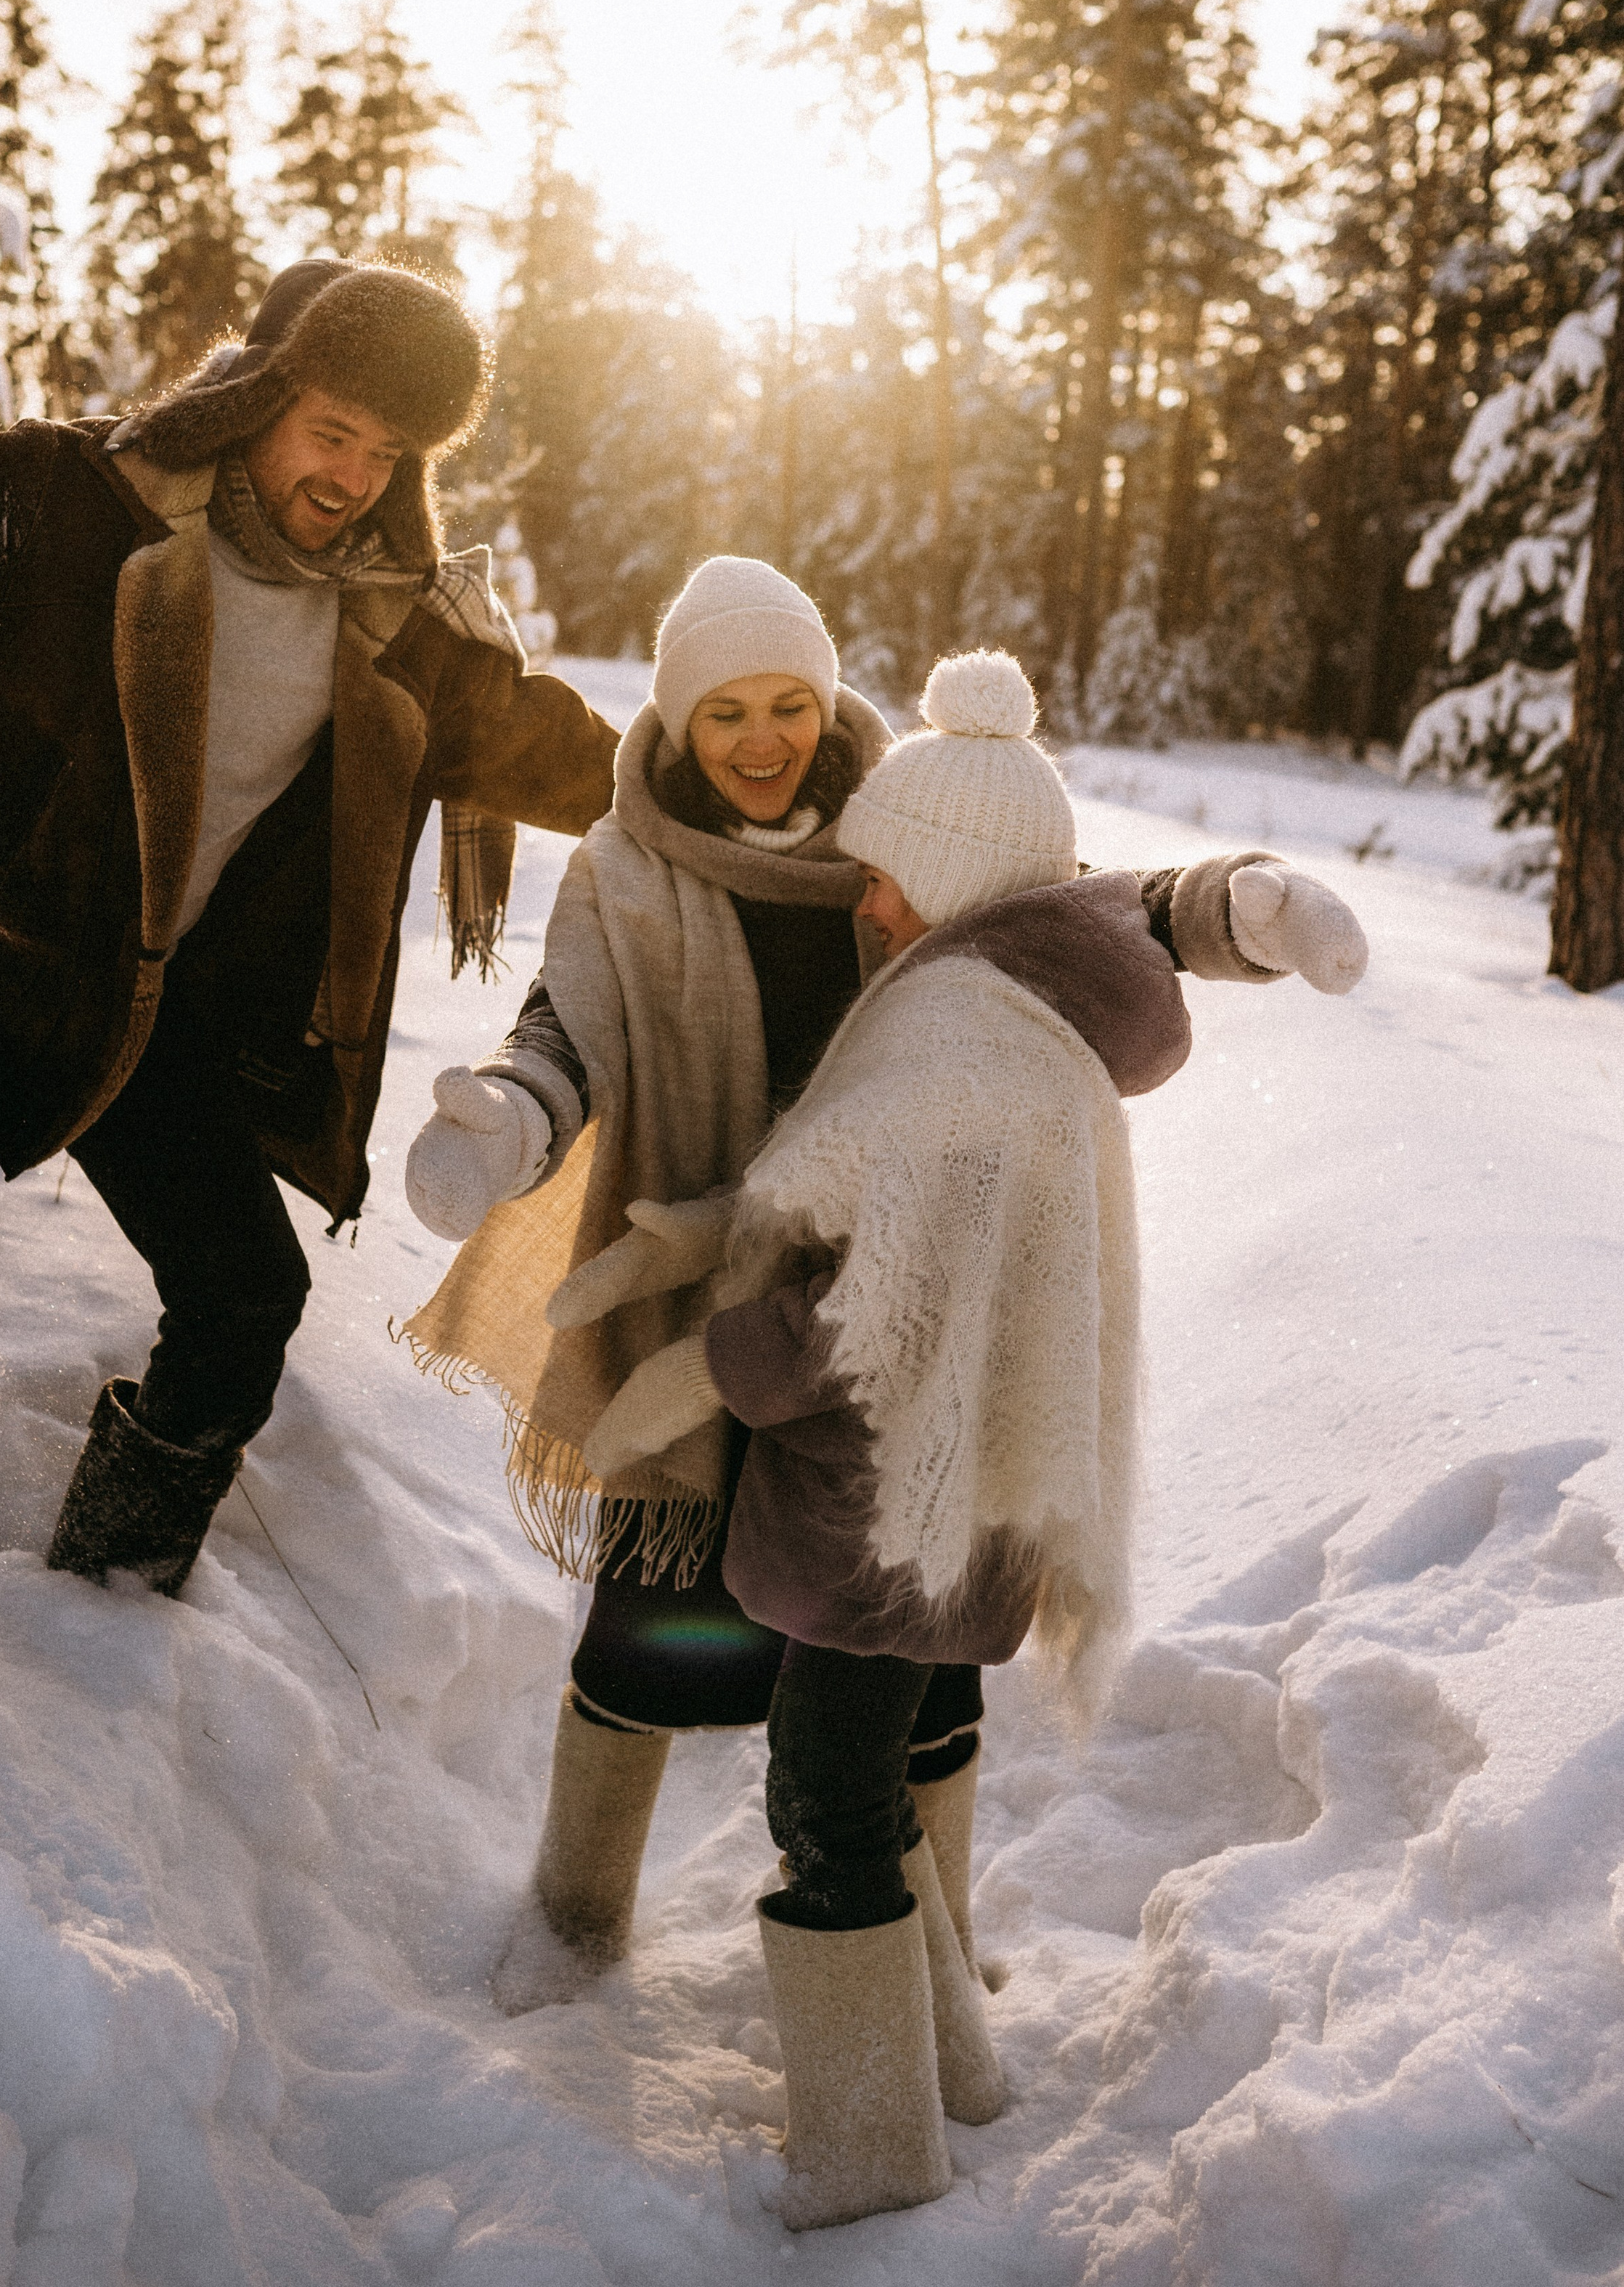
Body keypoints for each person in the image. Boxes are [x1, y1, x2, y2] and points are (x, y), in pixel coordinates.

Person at [400, 562, 1366, 2024]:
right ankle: (577, 1912)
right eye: (725, 710)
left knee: (907, 1642)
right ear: (677, 720)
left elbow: (1078, 903)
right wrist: (505, 1120)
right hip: (708, 1279)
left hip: (906, 1298)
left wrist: (1233, 905)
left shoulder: (910, 820)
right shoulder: (627, 866)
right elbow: (566, 1031)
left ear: (826, 697)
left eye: (788, 701)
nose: (762, 736)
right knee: (653, 1621)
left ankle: (938, 1940)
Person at [577, 649, 1365, 2228]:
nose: (861, 906)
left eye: (881, 878)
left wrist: (720, 1353)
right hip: (964, 1489)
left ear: (941, 884)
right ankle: (951, 2073)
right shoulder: (1009, 1003)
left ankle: (868, 2152)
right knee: (867, 1791)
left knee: (827, 1805)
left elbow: (863, 1321)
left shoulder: (951, 1053)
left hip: (885, 1508)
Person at [0, 258, 620, 1612]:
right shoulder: (65, 501)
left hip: (118, 999)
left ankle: (108, 1598)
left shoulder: (395, 631)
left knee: (243, 1301)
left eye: (387, 453)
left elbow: (567, 758)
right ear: (258, 395)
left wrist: (790, 801)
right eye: (331, 431)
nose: (352, 477)